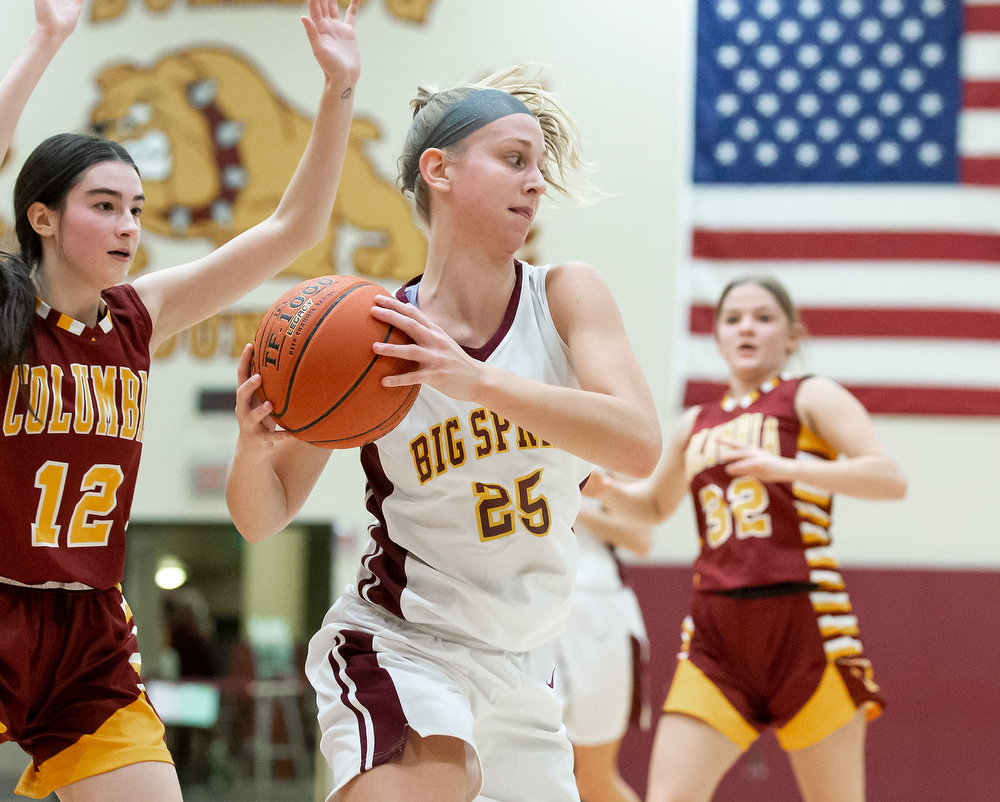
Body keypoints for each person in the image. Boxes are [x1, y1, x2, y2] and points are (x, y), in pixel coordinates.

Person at [226, 65, 662, 802]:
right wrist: (253, 448)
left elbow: (638, 443)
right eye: (515, 160)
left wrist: (475, 380)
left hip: (526, 663)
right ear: (441, 169)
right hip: (404, 645)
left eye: (539, 167)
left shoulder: (565, 297)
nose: (535, 183)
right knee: (431, 781)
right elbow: (262, 517)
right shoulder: (370, 336)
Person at [0, 0, 361, 799]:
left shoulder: (140, 316)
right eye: (104, 206)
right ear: (42, 217)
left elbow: (294, 229)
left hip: (88, 632)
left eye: (136, 208)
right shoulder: (8, 309)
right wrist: (46, 40)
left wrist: (338, 88)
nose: (129, 225)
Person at [586, 276, 907, 802]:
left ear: (794, 335)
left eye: (763, 317)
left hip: (805, 624)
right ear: (716, 338)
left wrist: (783, 467)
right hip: (717, 631)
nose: (746, 328)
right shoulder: (696, 422)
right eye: (733, 319)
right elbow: (652, 506)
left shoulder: (810, 395)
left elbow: (888, 478)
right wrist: (601, 486)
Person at [551, 493, 653, 802]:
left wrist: (565, 502)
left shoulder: (605, 458)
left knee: (593, 782)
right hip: (526, 604)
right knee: (530, 773)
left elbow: (640, 539)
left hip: (596, 608)